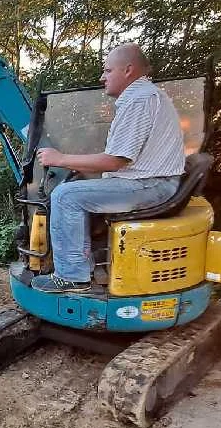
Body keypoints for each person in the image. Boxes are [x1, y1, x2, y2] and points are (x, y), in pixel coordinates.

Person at [32, 43, 186, 294]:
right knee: (75, 189)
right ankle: (88, 264)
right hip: (153, 181)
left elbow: (115, 160)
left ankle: (73, 276)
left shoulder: (139, 100)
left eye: (107, 70)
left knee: (65, 195)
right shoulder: (146, 96)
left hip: (150, 186)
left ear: (128, 70)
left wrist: (60, 159)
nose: (102, 77)